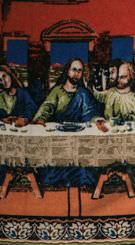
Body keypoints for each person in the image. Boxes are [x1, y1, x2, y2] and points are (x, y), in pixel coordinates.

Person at [32, 58, 98, 186]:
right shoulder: (57, 91)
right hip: (59, 136)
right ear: (67, 71)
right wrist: (41, 119)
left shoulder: (83, 94)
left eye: (80, 71)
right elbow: (47, 107)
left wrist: (97, 120)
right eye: (74, 70)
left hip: (79, 137)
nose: (76, 73)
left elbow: (91, 114)